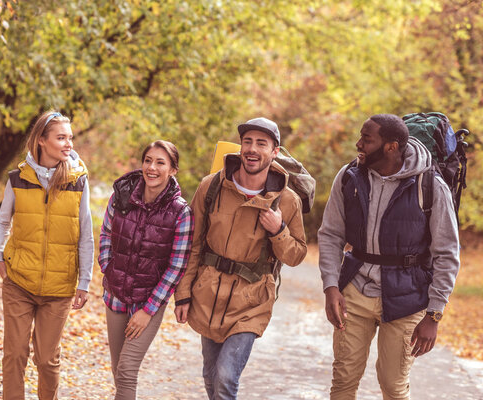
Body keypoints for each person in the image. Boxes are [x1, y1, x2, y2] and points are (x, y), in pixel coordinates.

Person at [318, 114, 460, 400]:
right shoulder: (349, 177)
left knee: (393, 385)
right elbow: (331, 234)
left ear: (391, 147)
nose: (358, 144)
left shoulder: (430, 186)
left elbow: (447, 253)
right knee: (343, 380)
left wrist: (434, 313)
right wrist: (331, 286)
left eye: (367, 139)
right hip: (354, 292)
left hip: (408, 296)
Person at [174, 117, 308, 400]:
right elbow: (193, 245)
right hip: (207, 295)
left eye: (262, 143)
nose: (252, 149)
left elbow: (296, 255)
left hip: (252, 302)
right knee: (211, 376)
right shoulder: (211, 186)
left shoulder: (287, 201)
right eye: (248, 141)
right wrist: (183, 293)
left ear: (275, 152)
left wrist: (279, 230)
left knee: (225, 377)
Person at [0, 110, 94, 400]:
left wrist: (84, 281)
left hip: (59, 288)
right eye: (61, 138)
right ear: (41, 140)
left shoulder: (78, 182)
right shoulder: (18, 178)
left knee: (47, 360)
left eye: (70, 138)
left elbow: (86, 233)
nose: (68, 144)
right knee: (14, 354)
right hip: (19, 283)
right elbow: (1, 220)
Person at [98, 140, 194, 400]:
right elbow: (106, 233)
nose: (152, 167)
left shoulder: (180, 212)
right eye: (148, 160)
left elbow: (177, 266)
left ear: (173, 170)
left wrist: (148, 310)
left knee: (127, 370)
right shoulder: (122, 195)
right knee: (119, 373)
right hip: (115, 296)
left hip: (148, 302)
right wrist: (109, 268)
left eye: (160, 162)